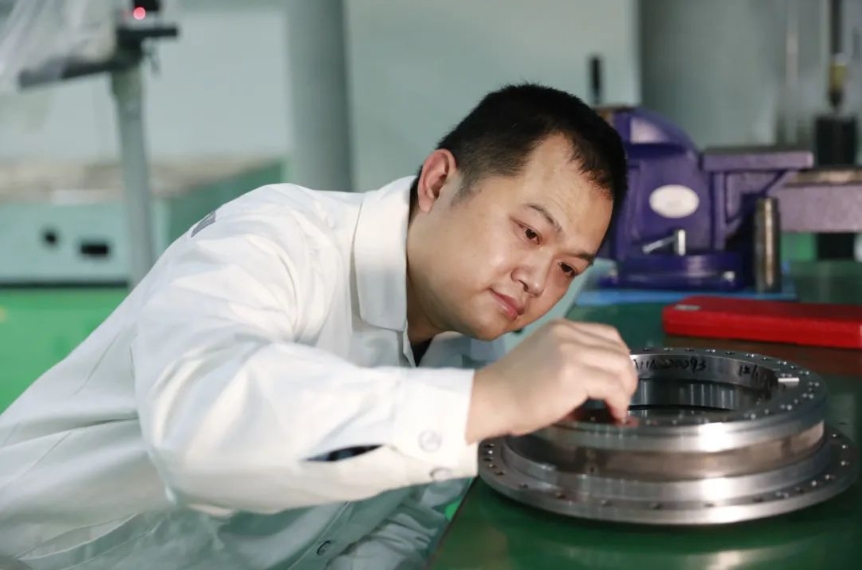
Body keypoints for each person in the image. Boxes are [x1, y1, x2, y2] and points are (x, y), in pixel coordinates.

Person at [0, 83, 636, 569]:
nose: (537, 281)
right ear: (439, 181)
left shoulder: (472, 349)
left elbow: (398, 521)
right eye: (529, 232)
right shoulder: (278, 239)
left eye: (568, 268)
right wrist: (490, 402)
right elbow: (200, 429)